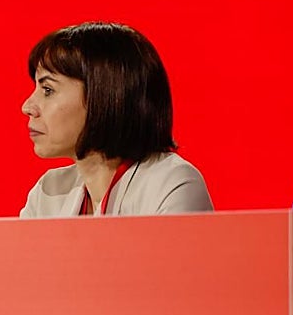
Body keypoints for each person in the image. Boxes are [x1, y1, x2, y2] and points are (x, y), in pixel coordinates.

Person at [19, 22, 213, 217]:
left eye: (48, 90)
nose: (27, 107)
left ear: (102, 96)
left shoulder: (171, 183)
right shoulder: (48, 192)